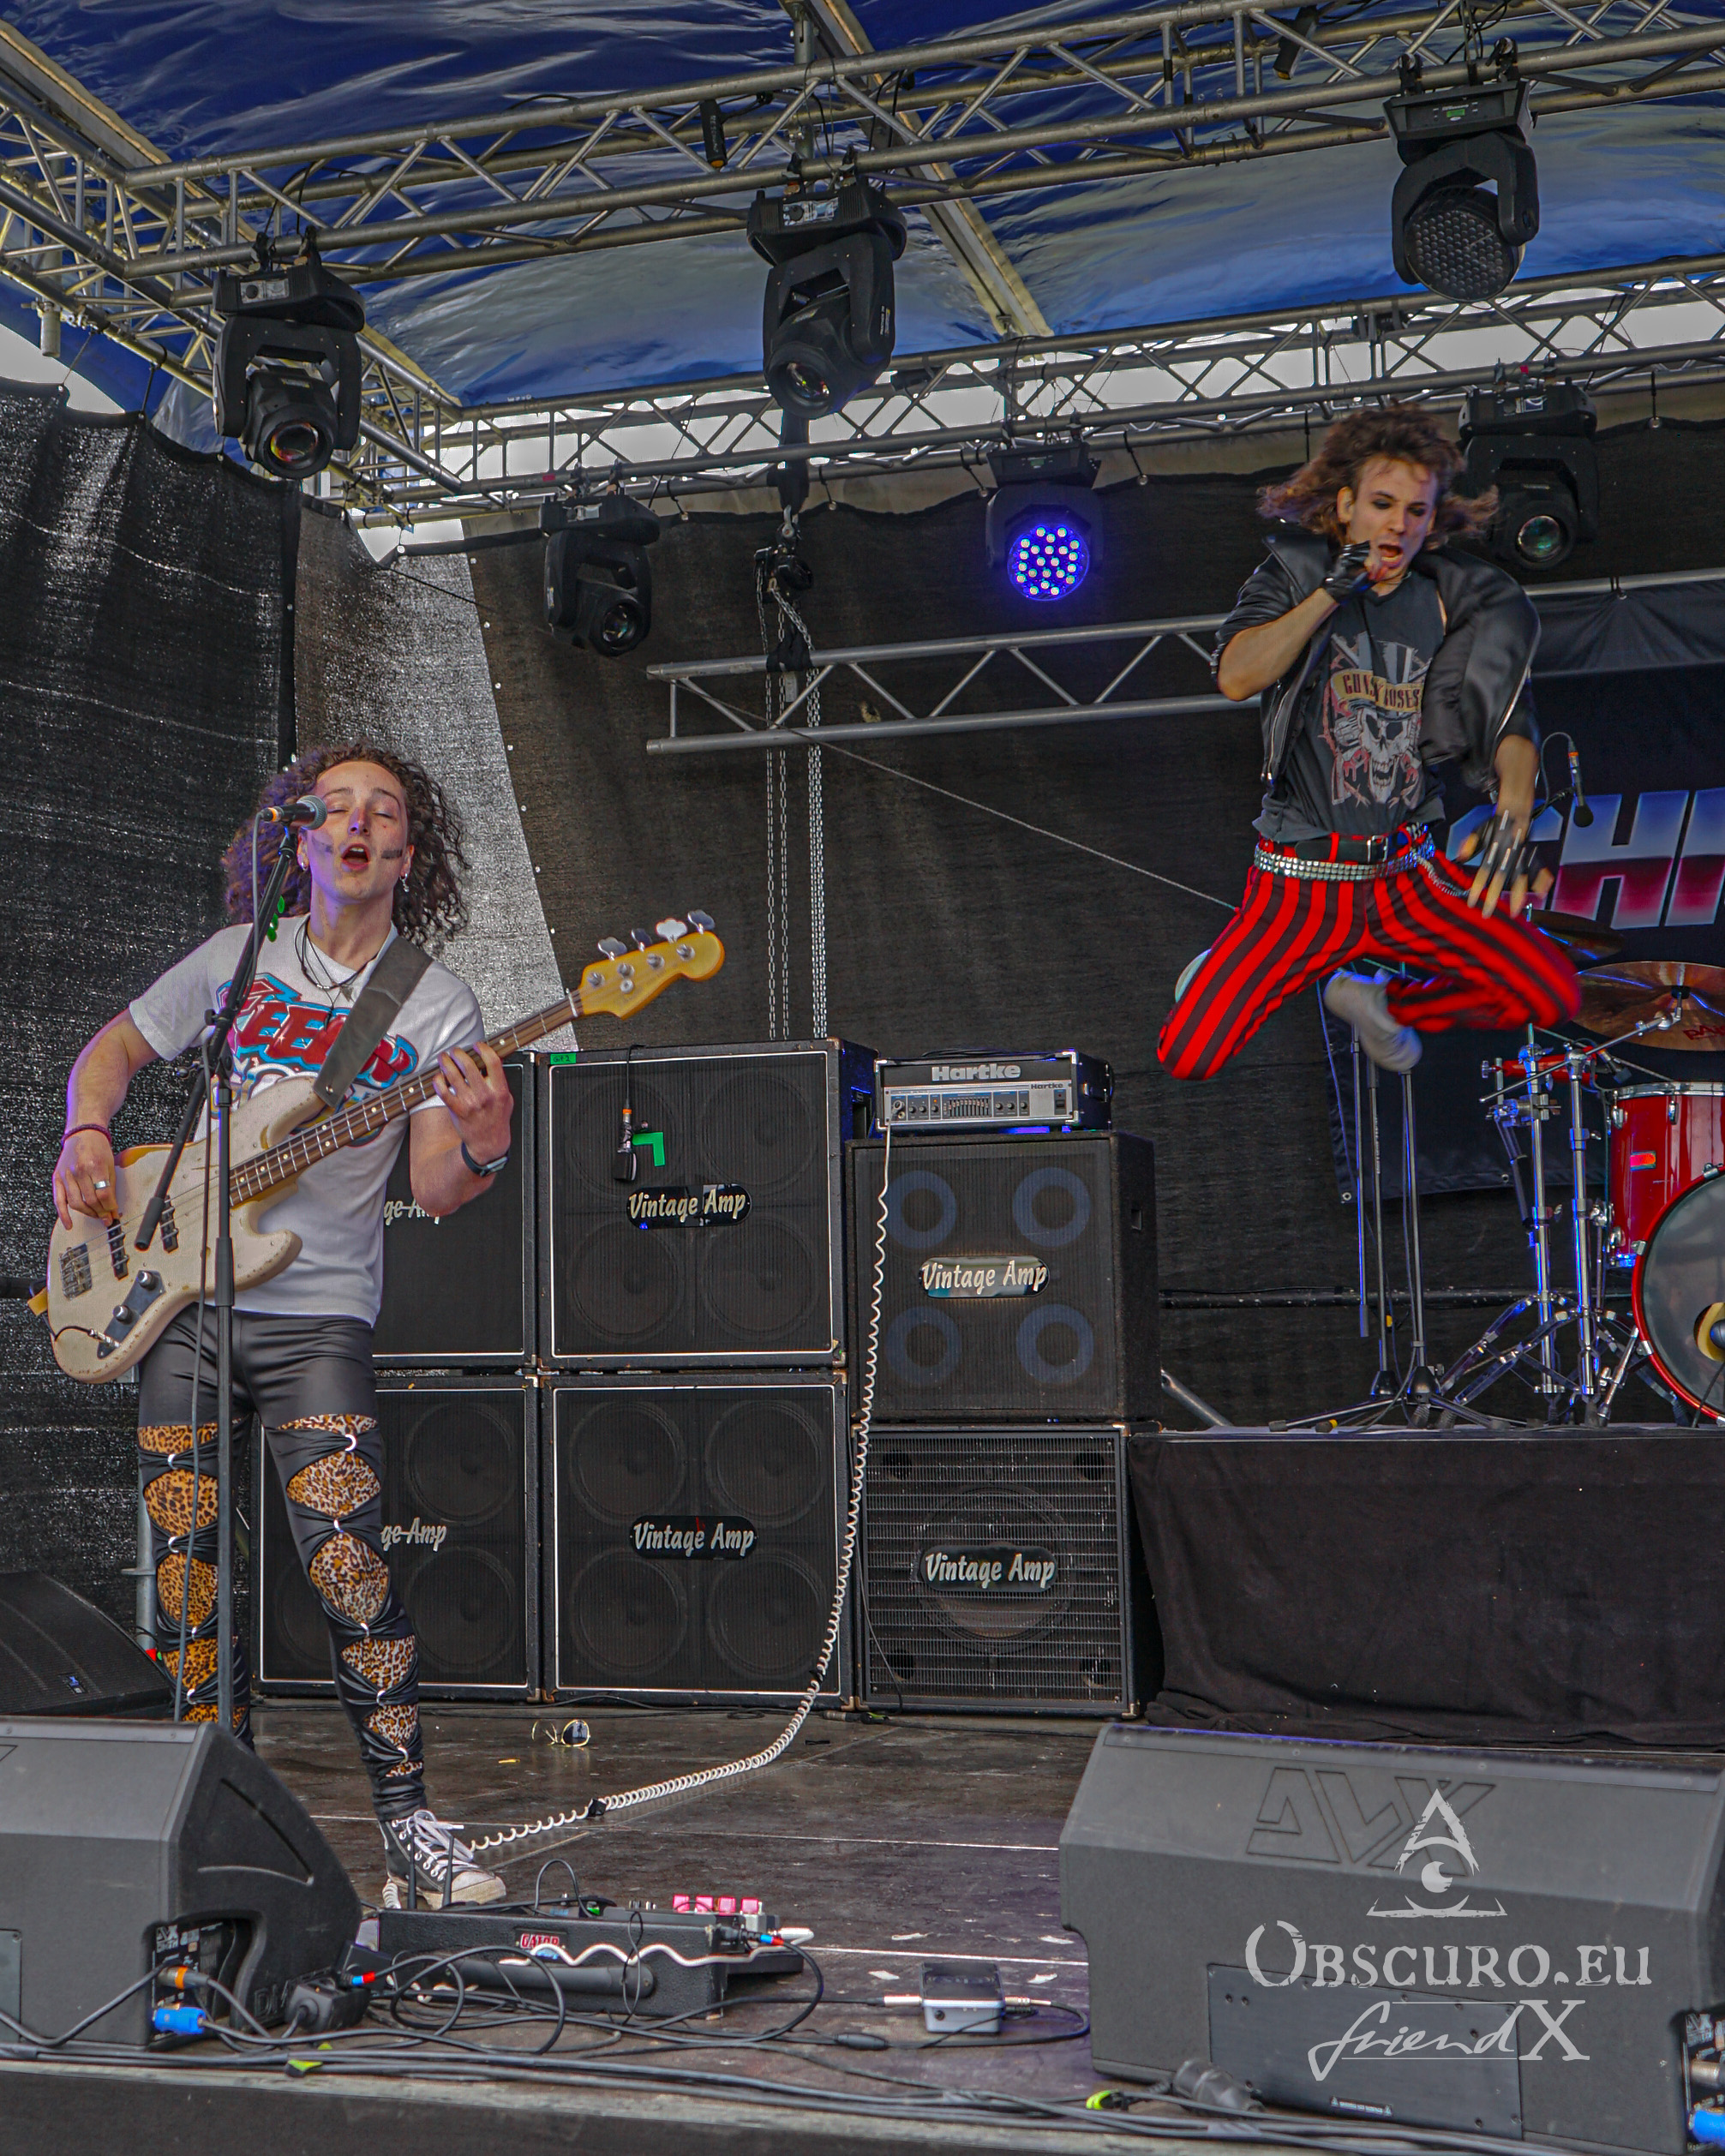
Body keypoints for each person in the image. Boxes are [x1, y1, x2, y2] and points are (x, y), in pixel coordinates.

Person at [52, 742, 515, 1907]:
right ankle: (212, 1820)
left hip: (315, 1320)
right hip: (181, 1305)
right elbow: (113, 1052)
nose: (357, 823)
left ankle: (409, 1829)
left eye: (384, 812)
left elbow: (436, 1187)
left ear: (408, 854)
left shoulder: (435, 1002)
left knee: (349, 1568)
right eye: (336, 807)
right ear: (297, 838)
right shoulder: (235, 960)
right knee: (188, 1581)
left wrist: (486, 1138)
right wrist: (87, 1134)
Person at [1158, 404, 1581, 1082]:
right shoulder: (1295, 574)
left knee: (1548, 990)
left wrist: (1514, 805)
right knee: (1188, 1057)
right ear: (1346, 506)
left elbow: (1507, 722)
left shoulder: (1453, 599)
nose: (1397, 525)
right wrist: (1329, 593)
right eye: (1382, 504)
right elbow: (1236, 677)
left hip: (1405, 878)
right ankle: (1255, 972)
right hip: (1299, 886)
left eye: (1415, 511)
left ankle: (1382, 1001)